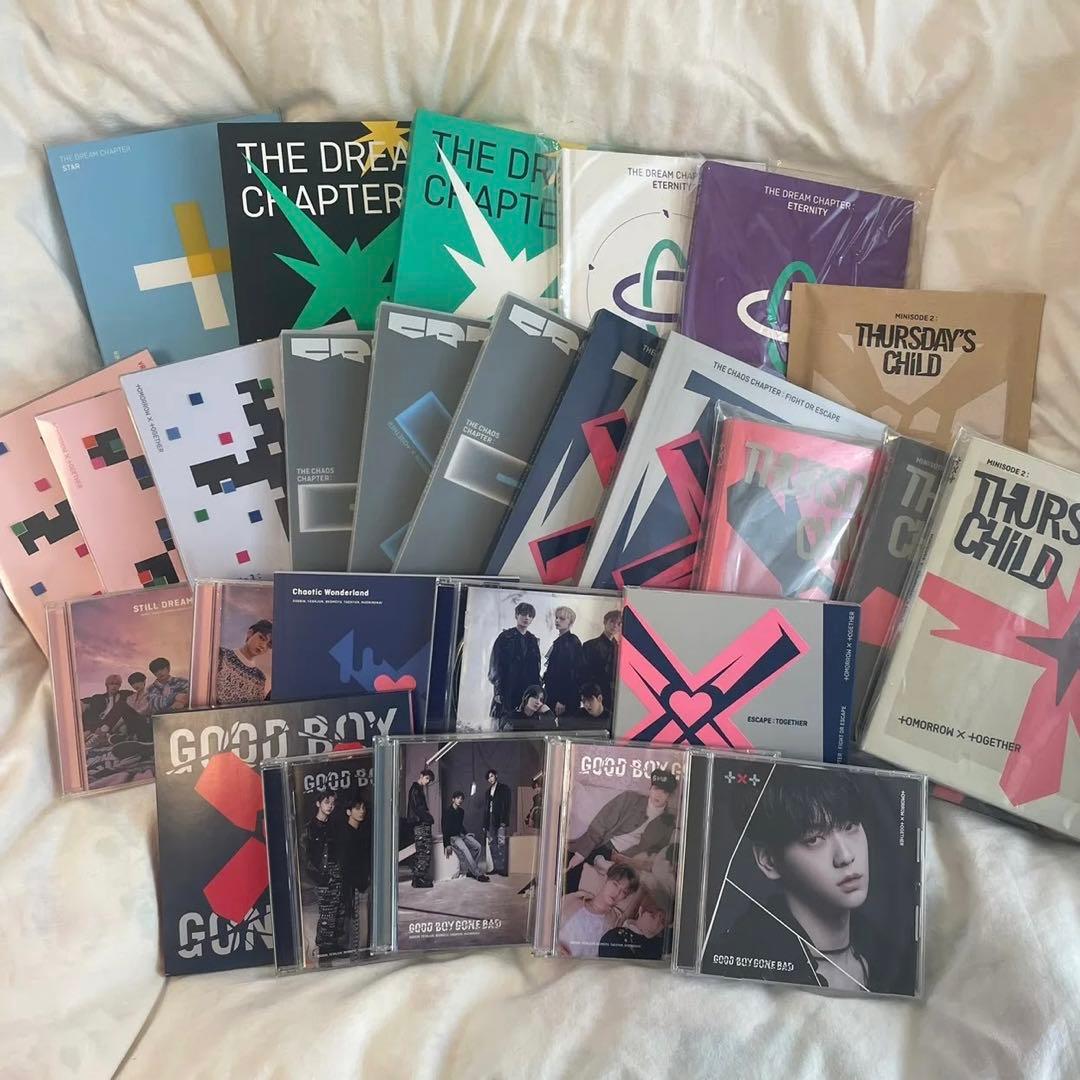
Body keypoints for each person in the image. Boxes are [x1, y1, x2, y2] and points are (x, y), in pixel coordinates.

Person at [720, 769, 879, 993]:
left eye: (849, 826)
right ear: (769, 860)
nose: (845, 856)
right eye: (814, 839)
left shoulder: (889, 955)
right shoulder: (743, 964)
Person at [564, 768, 678, 895]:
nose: (658, 795)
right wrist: (581, 854)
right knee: (571, 859)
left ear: (669, 796)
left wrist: (631, 862)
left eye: (664, 792)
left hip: (628, 860)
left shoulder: (667, 824)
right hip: (604, 844)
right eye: (656, 789)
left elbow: (656, 854)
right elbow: (600, 824)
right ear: (650, 788)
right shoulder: (630, 799)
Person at [558, 864, 639, 958]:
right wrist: (556, 948)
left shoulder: (615, 922)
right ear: (605, 879)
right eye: (615, 884)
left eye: (624, 892)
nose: (617, 893)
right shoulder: (574, 900)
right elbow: (547, 926)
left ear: (625, 897)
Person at [304, 792, 346, 956]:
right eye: (327, 802)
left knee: (339, 911)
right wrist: (320, 877)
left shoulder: (334, 826)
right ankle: (324, 947)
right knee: (327, 912)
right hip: (323, 874)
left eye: (333, 803)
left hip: (338, 872)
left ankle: (333, 945)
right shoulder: (310, 828)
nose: (330, 806)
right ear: (318, 803)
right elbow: (305, 857)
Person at [488, 602, 541, 722]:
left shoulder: (533, 640)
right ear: (516, 615)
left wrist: (536, 694)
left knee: (524, 723)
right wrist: (498, 691)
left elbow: (536, 669)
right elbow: (495, 665)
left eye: (530, 615)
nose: (526, 618)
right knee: (504, 721)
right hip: (507, 687)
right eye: (523, 614)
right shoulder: (505, 637)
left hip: (526, 690)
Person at [339, 794, 372, 953]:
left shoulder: (360, 832)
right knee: (356, 925)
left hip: (360, 884)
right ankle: (356, 955)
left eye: (363, 808)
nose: (362, 811)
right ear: (348, 812)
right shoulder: (346, 834)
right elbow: (346, 864)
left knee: (359, 924)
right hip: (354, 886)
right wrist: (358, 883)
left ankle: (356, 952)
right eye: (357, 808)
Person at [598, 890, 669, 961]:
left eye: (662, 922)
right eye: (653, 916)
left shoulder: (663, 942)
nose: (656, 925)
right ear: (641, 911)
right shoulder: (614, 937)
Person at [216, 619, 272, 704]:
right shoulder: (222, 655)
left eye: (268, 645)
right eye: (261, 638)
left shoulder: (259, 678)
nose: (263, 646)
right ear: (250, 633)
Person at [543, 606, 582, 717]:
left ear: (570, 622)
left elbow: (572, 673)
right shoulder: (560, 641)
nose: (557, 621)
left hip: (563, 698)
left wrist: (563, 699)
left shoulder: (571, 642)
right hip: (553, 693)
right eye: (556, 617)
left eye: (562, 618)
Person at [442, 790, 488, 881]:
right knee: (465, 850)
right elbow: (444, 829)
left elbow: (460, 825)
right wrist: (446, 844)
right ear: (453, 799)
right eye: (458, 798)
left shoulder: (461, 811)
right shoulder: (447, 812)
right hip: (453, 837)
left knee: (478, 846)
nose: (460, 800)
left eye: (461, 799)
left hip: (461, 835)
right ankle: (477, 874)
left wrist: (466, 834)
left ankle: (471, 871)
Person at [580, 610, 621, 710]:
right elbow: (583, 673)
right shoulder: (589, 645)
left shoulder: (620, 649)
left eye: (619, 623)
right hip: (594, 695)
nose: (615, 626)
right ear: (605, 622)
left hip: (614, 697)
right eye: (612, 621)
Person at [406, 768, 435, 888]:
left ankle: (419, 878)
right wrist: (429, 818)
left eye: (429, 780)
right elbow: (418, 808)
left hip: (420, 823)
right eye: (427, 778)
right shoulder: (416, 789)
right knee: (424, 850)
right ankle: (418, 879)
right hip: (420, 823)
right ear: (421, 775)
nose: (427, 781)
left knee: (423, 851)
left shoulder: (417, 789)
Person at [483, 768, 512, 876]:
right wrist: (485, 824)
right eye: (488, 778)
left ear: (496, 775)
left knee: (501, 843)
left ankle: (503, 869)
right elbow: (486, 809)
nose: (490, 779)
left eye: (491, 776)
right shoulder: (487, 792)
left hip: (500, 819)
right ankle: (496, 867)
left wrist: (504, 821)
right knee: (492, 843)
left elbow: (507, 806)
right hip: (490, 819)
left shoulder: (504, 788)